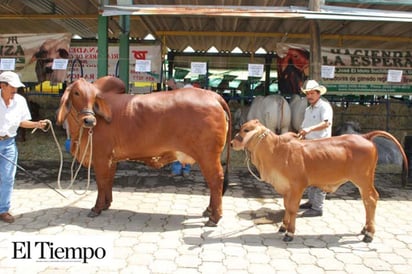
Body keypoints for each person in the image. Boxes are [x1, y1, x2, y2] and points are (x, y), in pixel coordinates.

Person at [0, 71, 48, 223]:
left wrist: (36, 124)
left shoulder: (20, 101)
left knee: (7, 178)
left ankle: (3, 210)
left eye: (16, 87)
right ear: (2, 86)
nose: (15, 90)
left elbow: (22, 122)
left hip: (8, 143)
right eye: (12, 87)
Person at [298, 79, 333, 217]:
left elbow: (326, 123)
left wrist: (308, 130)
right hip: (310, 146)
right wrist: (301, 133)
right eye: (308, 94)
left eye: (312, 93)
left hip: (321, 146)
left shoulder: (324, 106)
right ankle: (312, 202)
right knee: (310, 176)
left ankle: (318, 207)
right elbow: (303, 126)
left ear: (318, 93)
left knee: (320, 177)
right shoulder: (308, 109)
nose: (310, 96)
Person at [166, 77, 192, 177]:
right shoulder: (178, 98)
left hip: (185, 127)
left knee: (184, 149)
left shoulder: (185, 98)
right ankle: (180, 170)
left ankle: (184, 169)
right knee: (178, 148)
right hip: (180, 127)